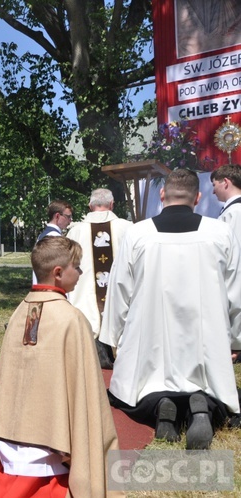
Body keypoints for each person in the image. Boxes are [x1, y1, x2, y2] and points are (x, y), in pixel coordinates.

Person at [0, 237, 121, 498]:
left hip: (11, 431)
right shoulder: (71, 319)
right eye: (76, 267)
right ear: (58, 273)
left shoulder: (18, 312)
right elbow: (86, 390)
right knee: (47, 490)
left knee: (14, 482)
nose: (80, 273)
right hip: (52, 439)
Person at [100, 169, 241, 450]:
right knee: (214, 386)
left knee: (134, 392)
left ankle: (162, 406)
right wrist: (236, 339)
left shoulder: (138, 233)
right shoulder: (220, 232)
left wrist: (112, 337)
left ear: (162, 195)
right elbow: (235, 292)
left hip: (151, 338)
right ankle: (201, 407)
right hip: (206, 339)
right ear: (198, 198)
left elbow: (119, 289)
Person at [65, 188, 132, 368]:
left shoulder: (75, 231)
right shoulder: (128, 228)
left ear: (89, 206)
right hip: (122, 305)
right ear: (112, 205)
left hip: (86, 307)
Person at [32, 199, 73, 285]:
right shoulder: (54, 237)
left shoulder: (44, 235)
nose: (70, 220)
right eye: (68, 217)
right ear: (57, 216)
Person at [211, 163, 241, 233]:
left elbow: (237, 242)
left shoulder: (235, 211)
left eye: (214, 185)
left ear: (225, 182)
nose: (213, 192)